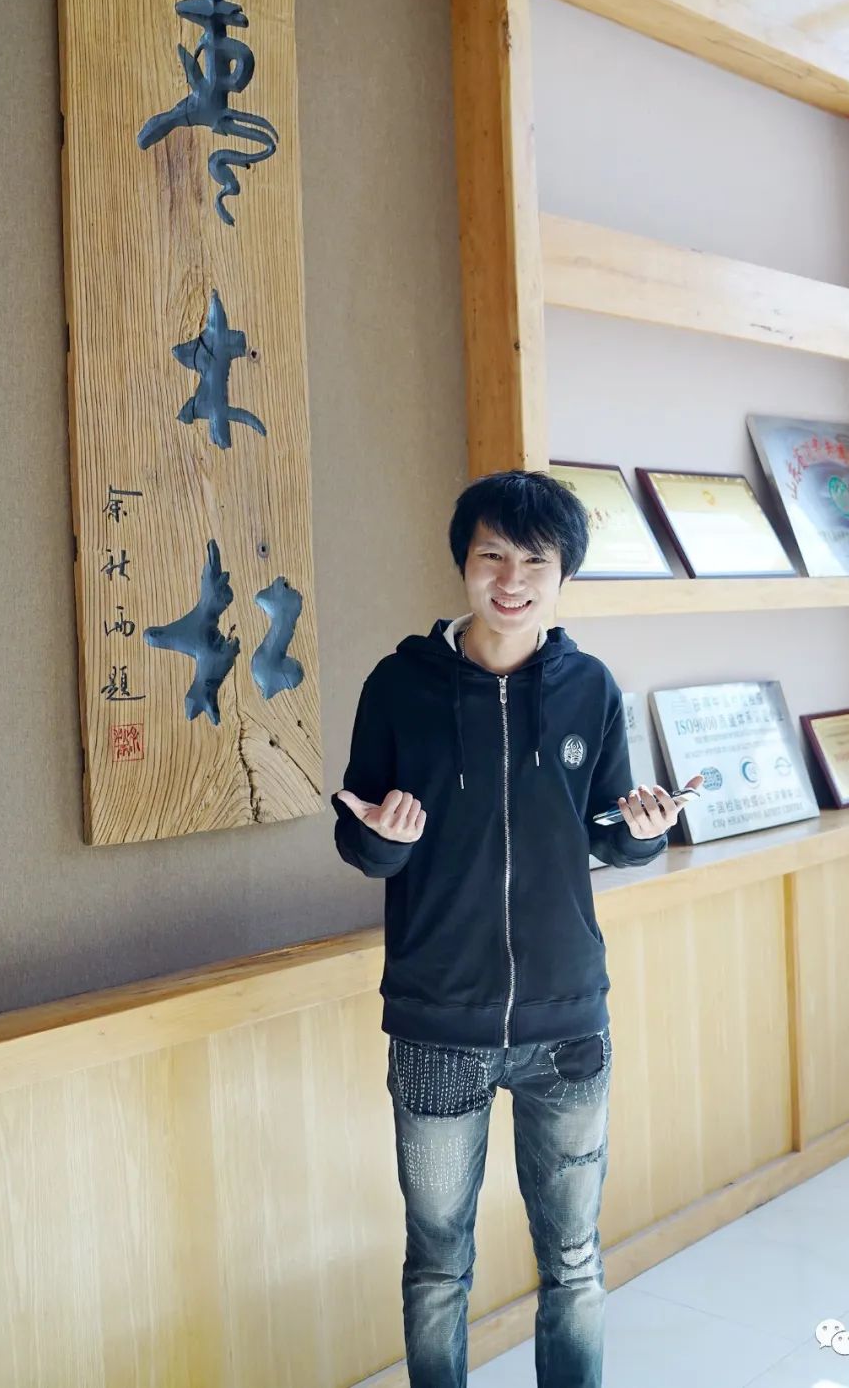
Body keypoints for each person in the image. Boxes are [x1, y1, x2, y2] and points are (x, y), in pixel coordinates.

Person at [332, 469, 698, 1388]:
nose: (512, 580)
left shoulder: (590, 689)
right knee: (437, 1266)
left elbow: (607, 830)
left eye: (536, 561)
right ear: (463, 561)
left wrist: (643, 830)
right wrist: (382, 840)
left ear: (563, 573)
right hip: (437, 1023)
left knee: (573, 1261)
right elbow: (362, 838)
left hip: (568, 1025)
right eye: (493, 555)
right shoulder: (398, 686)